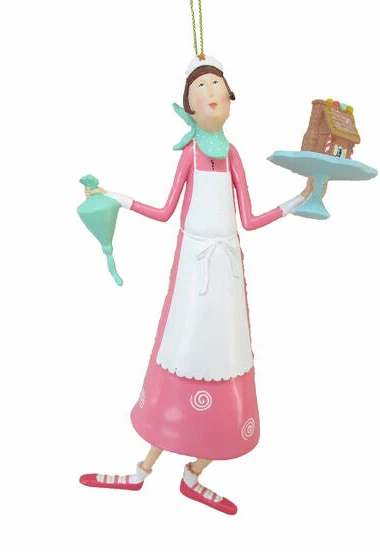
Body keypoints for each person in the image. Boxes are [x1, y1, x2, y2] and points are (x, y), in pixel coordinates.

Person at [79, 55, 310, 515]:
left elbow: (249, 219)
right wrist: (113, 197)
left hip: (226, 273)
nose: (211, 91)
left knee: (226, 355)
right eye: (201, 86)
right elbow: (165, 211)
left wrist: (299, 199)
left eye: (217, 84)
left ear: (229, 99)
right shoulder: (189, 154)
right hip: (192, 269)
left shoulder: (233, 154)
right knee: (181, 348)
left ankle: (194, 472)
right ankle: (143, 469)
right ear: (189, 105)